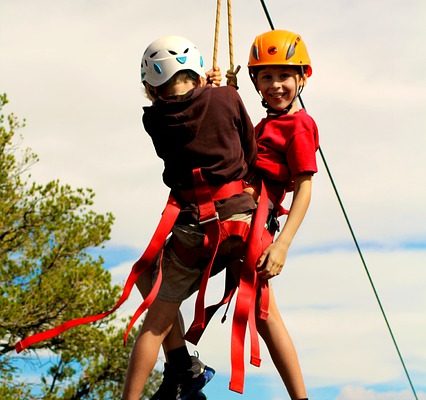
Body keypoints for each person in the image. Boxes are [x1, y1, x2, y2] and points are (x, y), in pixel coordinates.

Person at [122, 35, 257, 400]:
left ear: (150, 88)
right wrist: (221, 90)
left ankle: (158, 380)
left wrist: (209, 90)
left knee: (155, 316)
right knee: (149, 272)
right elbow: (249, 148)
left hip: (195, 229)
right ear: (197, 74)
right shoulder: (227, 98)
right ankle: (182, 366)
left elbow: (189, 111)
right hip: (239, 222)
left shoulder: (154, 121)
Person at [235, 29, 319, 400]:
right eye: (266, 77)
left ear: (302, 78)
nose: (276, 85)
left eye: (284, 76)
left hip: (255, 223)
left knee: (264, 313)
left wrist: (282, 244)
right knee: (263, 315)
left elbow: (304, 186)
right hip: (241, 217)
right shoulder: (267, 124)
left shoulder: (298, 125)